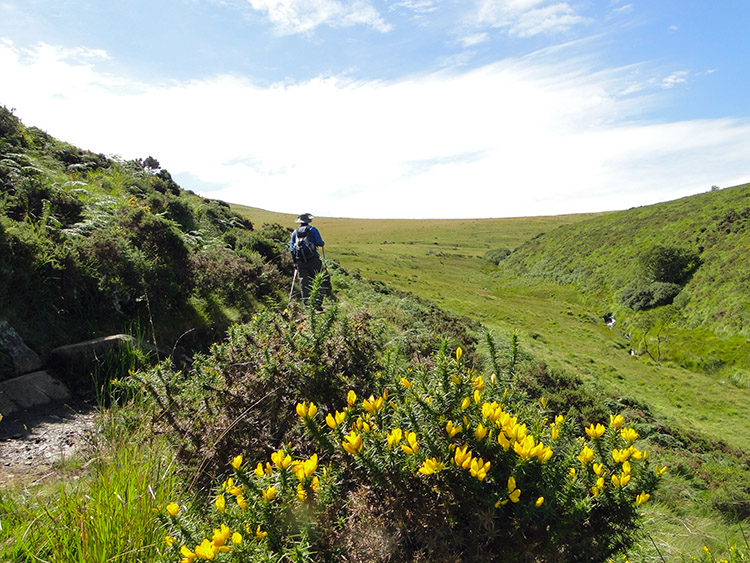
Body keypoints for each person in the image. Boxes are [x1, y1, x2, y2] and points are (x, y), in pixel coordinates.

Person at [289, 213, 326, 307]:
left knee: (304, 282)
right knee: (319, 279)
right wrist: (321, 243)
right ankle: (318, 302)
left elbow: (292, 249)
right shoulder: (313, 229)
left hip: (300, 261)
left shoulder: (295, 233)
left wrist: (295, 261)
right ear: (308, 221)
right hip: (313, 259)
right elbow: (319, 242)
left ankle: (307, 303)